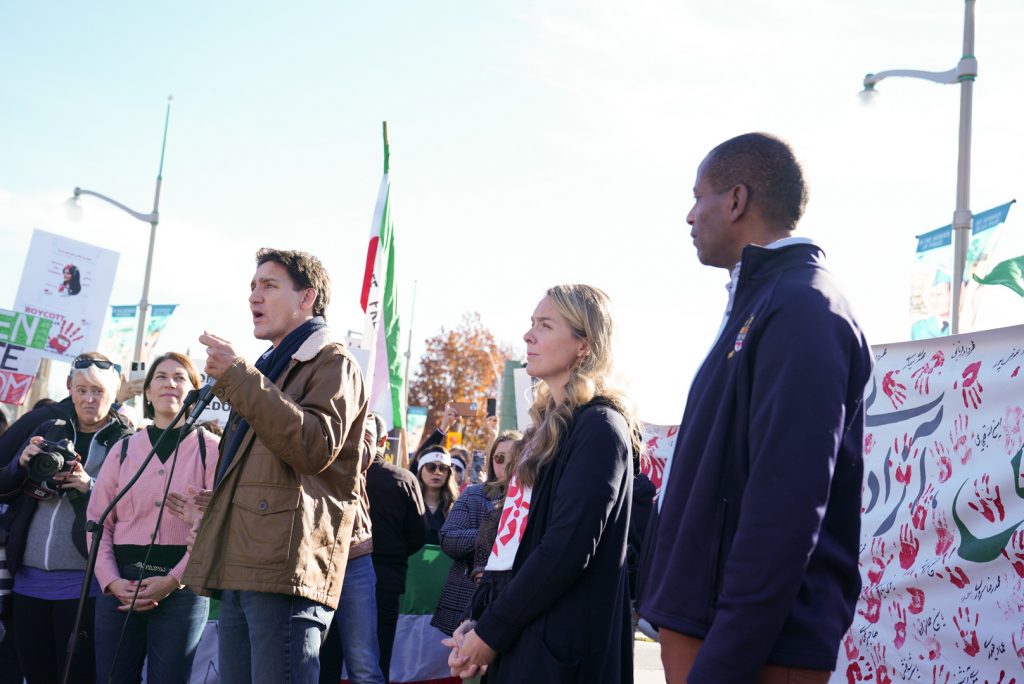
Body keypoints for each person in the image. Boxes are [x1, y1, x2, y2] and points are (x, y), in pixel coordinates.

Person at [637, 133, 872, 684]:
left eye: (699, 197)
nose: (689, 215)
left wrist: (723, 663)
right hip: (716, 637)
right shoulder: (766, 302)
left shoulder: (804, 309)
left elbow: (786, 508)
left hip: (751, 652)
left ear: (737, 200)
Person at [179, 248, 369, 684]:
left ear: (307, 298)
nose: (253, 297)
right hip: (244, 563)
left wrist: (241, 377)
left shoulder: (333, 362)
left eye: (269, 285)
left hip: (285, 571)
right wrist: (222, 502)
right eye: (252, 286)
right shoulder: (271, 369)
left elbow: (312, 446)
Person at [447, 283, 639, 683]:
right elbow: (508, 548)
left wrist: (491, 633)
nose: (528, 335)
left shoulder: (600, 428)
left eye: (545, 325)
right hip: (522, 641)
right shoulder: (545, 431)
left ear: (583, 345)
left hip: (559, 656)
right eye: (532, 323)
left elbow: (565, 549)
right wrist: (476, 620)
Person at [0, 353, 134, 683]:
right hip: (28, 581)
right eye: (83, 389)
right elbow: (3, 484)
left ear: (113, 393)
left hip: (84, 584)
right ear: (70, 389)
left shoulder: (127, 440)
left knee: (77, 676)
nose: (89, 399)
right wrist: (22, 463)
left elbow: (134, 507)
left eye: (99, 391)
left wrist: (90, 486)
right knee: (35, 674)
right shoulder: (47, 429)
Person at [88, 352, 221, 684]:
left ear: (194, 392)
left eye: (180, 378)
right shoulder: (122, 449)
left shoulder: (212, 449)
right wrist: (111, 580)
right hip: (119, 587)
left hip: (181, 592)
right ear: (147, 392)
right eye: (160, 376)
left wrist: (174, 580)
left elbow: (218, 526)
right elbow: (97, 523)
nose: (170, 384)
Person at [432, 430, 521, 637]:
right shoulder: (473, 494)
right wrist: (491, 535)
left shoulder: (537, 499)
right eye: (499, 458)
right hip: (469, 595)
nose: (506, 463)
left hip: (514, 596)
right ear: (491, 462)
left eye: (514, 456)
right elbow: (448, 538)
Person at [319, 417, 383, 684]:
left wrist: (316, 435)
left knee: (364, 665)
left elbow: (362, 454)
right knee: (301, 659)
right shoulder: (294, 393)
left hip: (352, 554)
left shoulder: (361, 409)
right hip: (303, 553)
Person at [365, 412, 427, 681]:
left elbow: (417, 535)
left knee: (330, 655)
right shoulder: (403, 479)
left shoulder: (337, 476)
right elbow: (417, 535)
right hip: (385, 579)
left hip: (348, 578)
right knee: (378, 657)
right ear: (383, 440)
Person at [414, 447, 460, 546]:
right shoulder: (410, 502)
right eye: (431, 467)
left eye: (443, 468)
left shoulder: (457, 505)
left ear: (448, 473)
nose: (437, 472)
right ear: (420, 470)